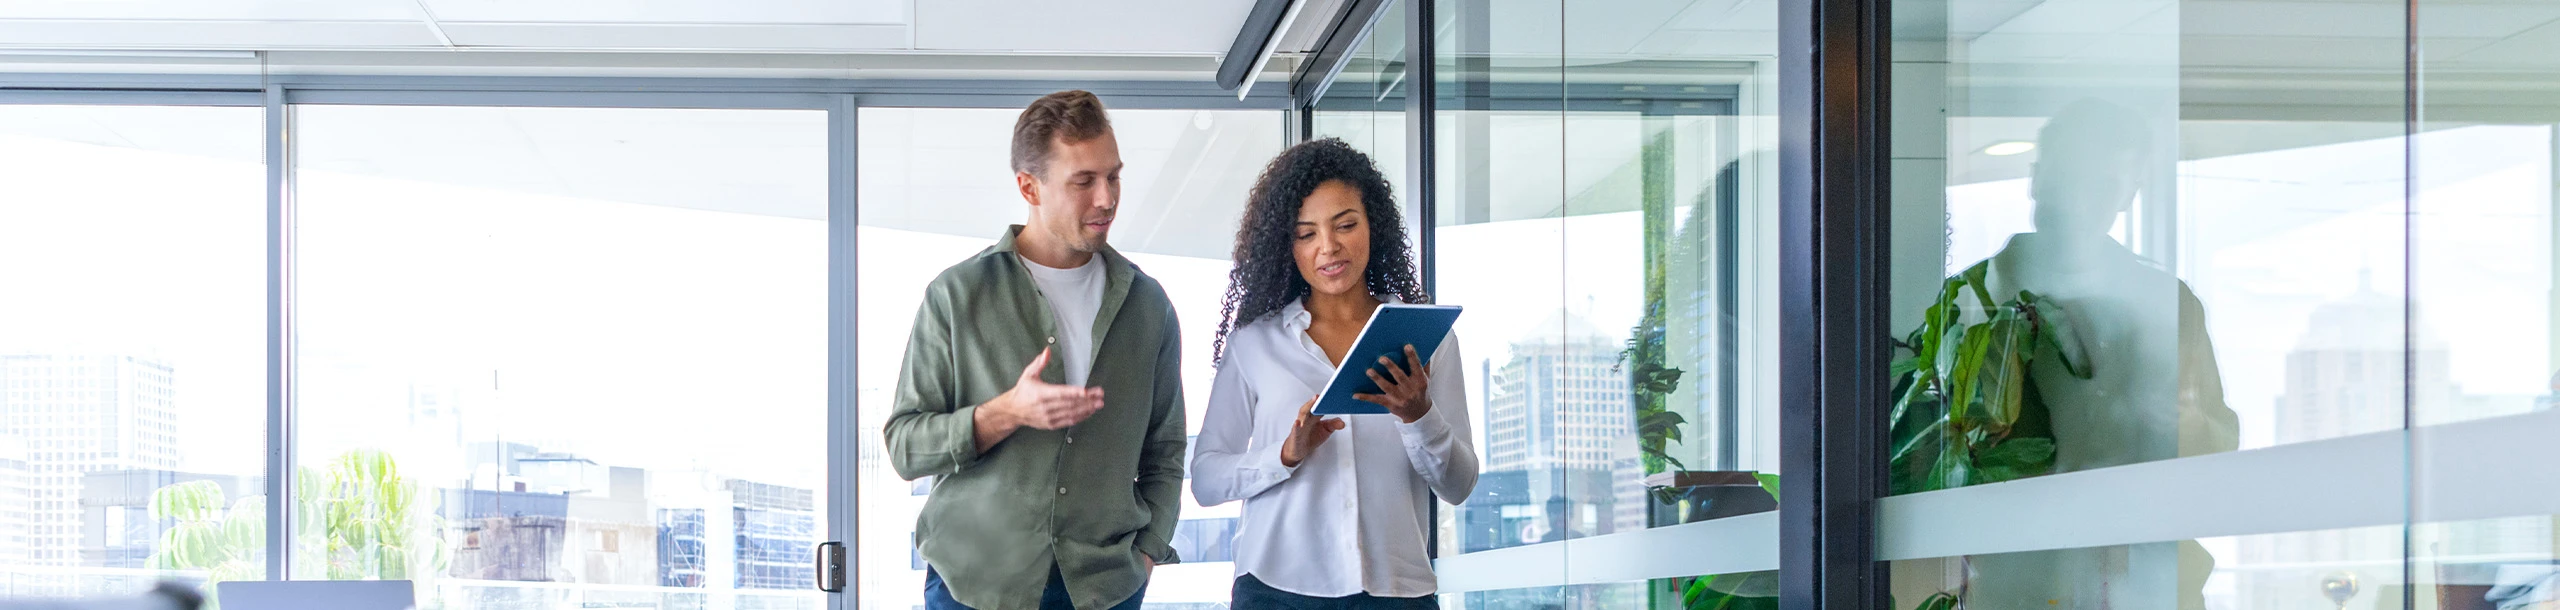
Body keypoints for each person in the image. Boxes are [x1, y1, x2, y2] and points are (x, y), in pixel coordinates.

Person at [884, 90, 1186, 610]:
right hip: (974, 585)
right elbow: (904, 447)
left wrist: (1148, 553)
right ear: (1029, 186)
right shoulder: (957, 295)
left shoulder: (1148, 305)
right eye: (1083, 181)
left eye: (1113, 177)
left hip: (1104, 589)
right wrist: (1004, 413)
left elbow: (1166, 451)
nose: (1106, 199)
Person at [1959, 98, 2238, 610]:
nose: (2081, 201)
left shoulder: (2169, 305)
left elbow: (2216, 454)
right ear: (2038, 179)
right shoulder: (1972, 302)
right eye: (2071, 178)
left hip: (2149, 585)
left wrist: (2189, 422)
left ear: (2128, 196)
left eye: (2105, 186)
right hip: (2019, 586)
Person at [1191, 137, 1480, 610]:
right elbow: (1205, 479)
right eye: (1306, 234)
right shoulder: (1255, 345)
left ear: (1373, 225)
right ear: (1285, 245)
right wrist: (1285, 454)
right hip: (1277, 591)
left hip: (1397, 593)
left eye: (1345, 225)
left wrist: (1419, 415)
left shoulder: (1427, 339)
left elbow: (1459, 485)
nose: (1328, 247)